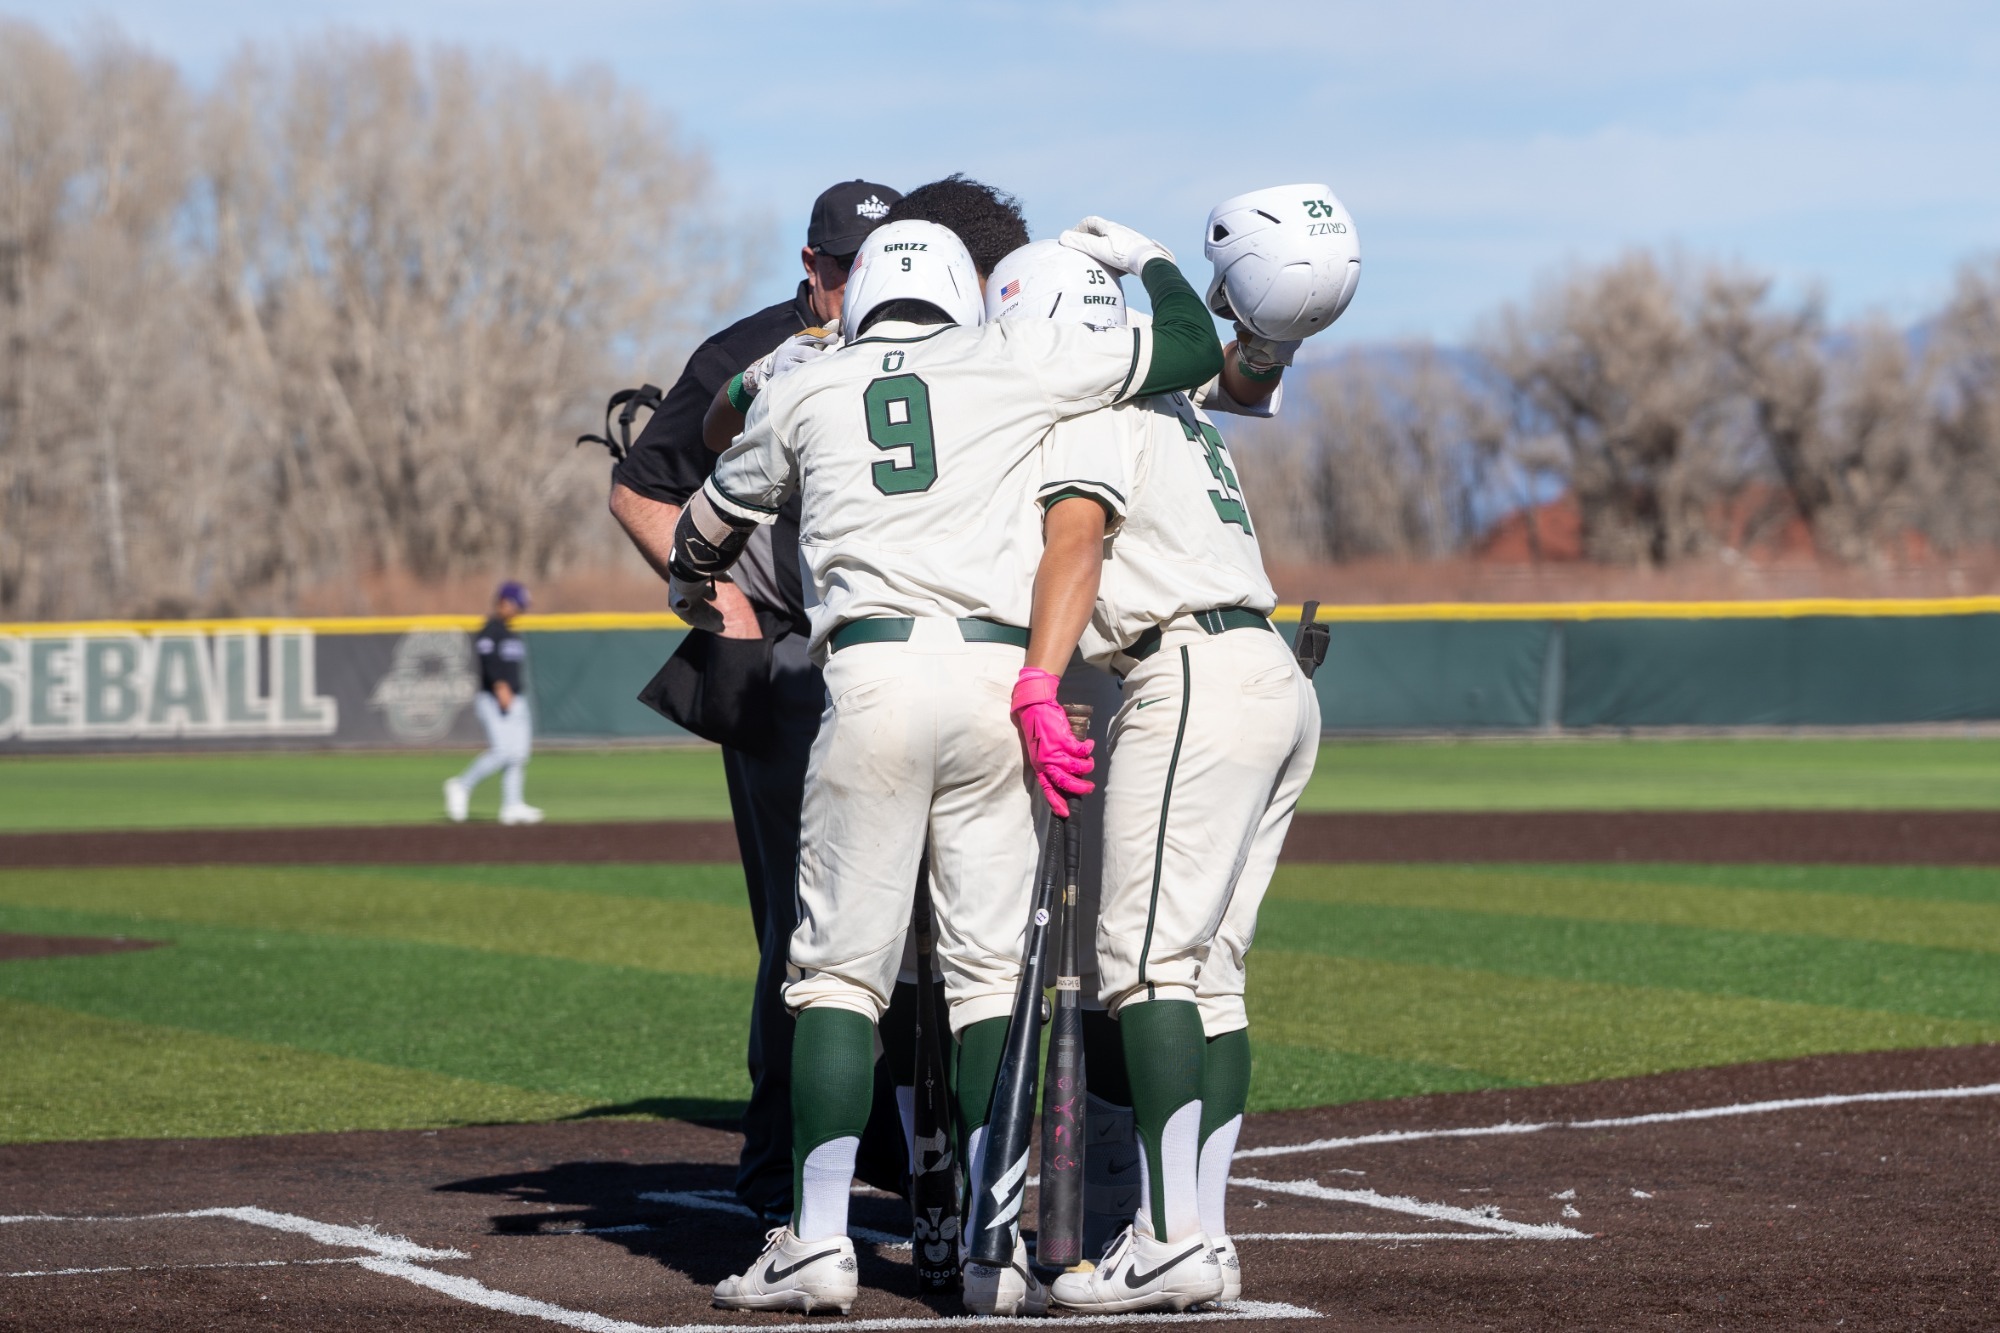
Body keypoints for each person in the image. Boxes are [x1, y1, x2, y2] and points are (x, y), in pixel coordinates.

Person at [674, 215, 1223, 1317]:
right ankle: (994, 1249)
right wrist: (1150, 259)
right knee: (984, 983)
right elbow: (1190, 349)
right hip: (995, 684)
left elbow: (702, 529)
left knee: (837, 976)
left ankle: (818, 1243)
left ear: (863, 288)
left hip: (870, 678)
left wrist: (750, 408)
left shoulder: (808, 380)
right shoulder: (1016, 360)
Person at [978, 188, 1359, 1314]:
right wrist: (1250, 316)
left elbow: (1078, 542)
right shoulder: (1173, 402)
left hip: (1186, 671)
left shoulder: (1094, 404)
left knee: (1143, 967)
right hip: (1272, 679)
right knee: (1210, 976)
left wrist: (1037, 682)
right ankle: (1202, 1231)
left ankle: (1167, 1235)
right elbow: (1246, 377)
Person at [606, 180, 903, 1221]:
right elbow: (640, 487)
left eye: (874, 267)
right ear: (810, 262)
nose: (852, 285)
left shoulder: (928, 346)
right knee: (800, 922)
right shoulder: (751, 350)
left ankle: (908, 1155)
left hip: (906, 660)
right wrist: (718, 602)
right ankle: (779, 1174)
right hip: (786, 662)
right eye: (839, 268)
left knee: (926, 924)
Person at [444, 581, 543, 826]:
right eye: (517, 605)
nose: (519, 610)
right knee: (502, 751)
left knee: (518, 755)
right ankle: (461, 785)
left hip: (516, 698)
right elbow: (488, 662)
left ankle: (512, 805)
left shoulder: (510, 632)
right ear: (504, 602)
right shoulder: (490, 629)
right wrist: (500, 686)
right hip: (495, 698)